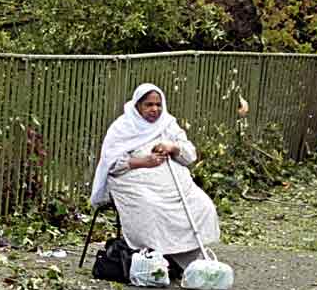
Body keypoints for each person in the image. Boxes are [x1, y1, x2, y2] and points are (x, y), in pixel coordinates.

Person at [90, 83, 220, 272]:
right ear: (138, 106)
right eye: (149, 105)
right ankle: (154, 258)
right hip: (134, 181)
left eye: (158, 105)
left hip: (172, 183)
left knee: (201, 204)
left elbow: (190, 155)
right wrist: (144, 161)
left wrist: (172, 147)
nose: (154, 110)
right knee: (151, 207)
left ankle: (184, 257)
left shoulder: (167, 124)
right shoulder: (122, 127)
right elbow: (111, 165)